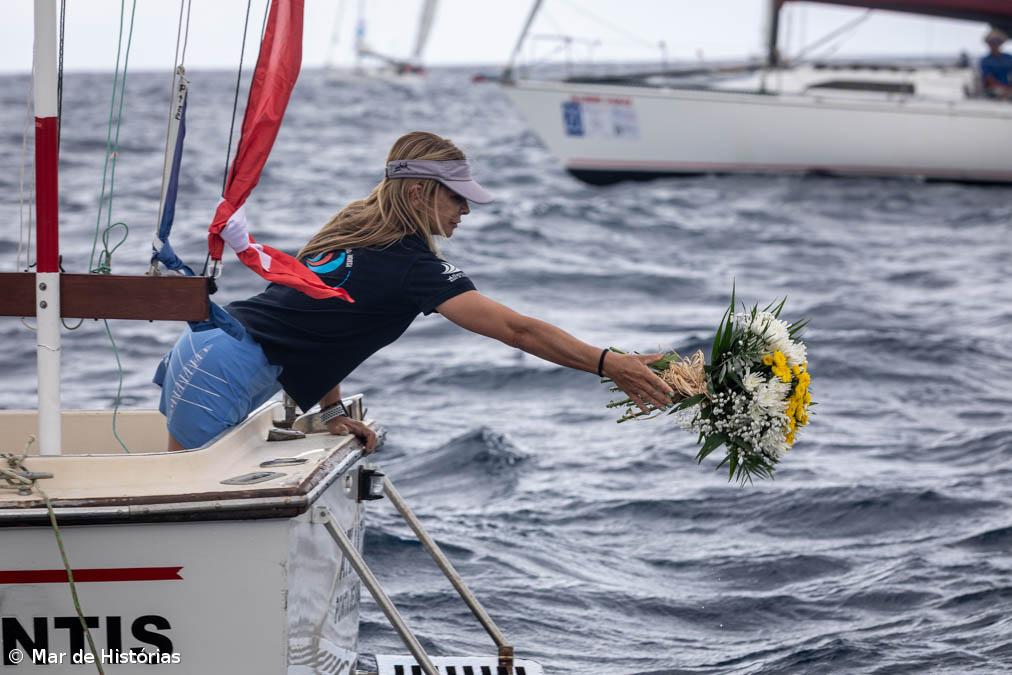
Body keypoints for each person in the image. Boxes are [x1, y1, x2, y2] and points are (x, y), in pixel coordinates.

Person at [154, 131, 674, 451]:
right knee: (178, 521)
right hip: (221, 372)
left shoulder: (352, 230)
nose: (466, 211)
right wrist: (608, 363)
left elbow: (324, 330)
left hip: (205, 352)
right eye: (458, 198)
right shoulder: (409, 265)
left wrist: (333, 414)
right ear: (423, 192)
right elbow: (517, 330)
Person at [980, 27, 1012, 99]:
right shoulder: (985, 60)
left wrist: (1009, 87)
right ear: (988, 44)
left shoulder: (1009, 58)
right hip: (994, 89)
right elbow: (989, 78)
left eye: (997, 42)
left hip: (1009, 88)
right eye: (992, 42)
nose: (994, 45)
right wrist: (1004, 88)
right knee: (998, 92)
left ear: (1000, 43)